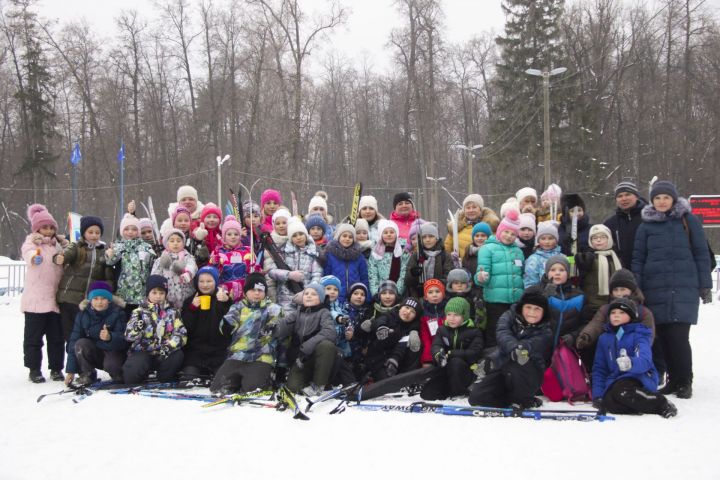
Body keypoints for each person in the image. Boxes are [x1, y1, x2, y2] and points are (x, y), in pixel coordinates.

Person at [632, 180, 712, 399]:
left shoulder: (688, 221)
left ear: (673, 199)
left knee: (679, 337)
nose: (661, 202)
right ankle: (672, 380)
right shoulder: (645, 225)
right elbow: (639, 258)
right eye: (657, 198)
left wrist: (705, 284)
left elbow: (701, 253)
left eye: (665, 197)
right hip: (654, 288)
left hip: (682, 287)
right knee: (663, 337)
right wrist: (636, 287)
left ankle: (685, 380)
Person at [592, 297, 677, 418]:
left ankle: (661, 403)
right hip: (616, 380)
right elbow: (600, 368)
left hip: (639, 377)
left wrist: (630, 363)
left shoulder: (639, 334)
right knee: (609, 402)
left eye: (622, 313)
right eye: (613, 312)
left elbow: (645, 360)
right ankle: (639, 405)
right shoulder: (604, 338)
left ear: (631, 316)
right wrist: (598, 395)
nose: (616, 316)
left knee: (621, 390)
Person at [469, 287, 552, 408]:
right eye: (528, 307)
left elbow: (530, 345)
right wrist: (491, 360)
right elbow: (502, 333)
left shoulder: (546, 331)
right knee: (477, 398)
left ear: (543, 312)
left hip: (528, 372)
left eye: (537, 309)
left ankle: (523, 400)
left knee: (518, 361)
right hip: (503, 366)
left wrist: (517, 350)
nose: (532, 313)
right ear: (522, 307)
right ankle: (513, 400)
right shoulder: (509, 316)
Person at [210, 273, 283, 394]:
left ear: (265, 292)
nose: (257, 293)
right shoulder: (237, 307)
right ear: (245, 292)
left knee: (251, 389)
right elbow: (225, 327)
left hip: (262, 357)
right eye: (253, 290)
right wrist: (227, 325)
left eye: (260, 290)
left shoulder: (274, 309)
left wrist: (282, 365)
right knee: (217, 388)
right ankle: (236, 381)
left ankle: (263, 379)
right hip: (238, 355)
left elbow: (281, 336)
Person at [21, 204, 67, 383]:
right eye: (44, 227)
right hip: (35, 300)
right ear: (37, 228)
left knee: (56, 338)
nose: (48, 231)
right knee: (33, 338)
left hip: (54, 299)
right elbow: (27, 251)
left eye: (51, 227)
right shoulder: (32, 241)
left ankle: (56, 368)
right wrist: (34, 257)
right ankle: (34, 369)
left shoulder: (60, 244)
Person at [576, 269, 655, 369]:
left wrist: (640, 349)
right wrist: (586, 335)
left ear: (632, 290)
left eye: (623, 289)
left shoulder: (643, 312)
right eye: (616, 290)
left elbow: (648, 335)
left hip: (633, 352)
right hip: (610, 351)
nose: (619, 293)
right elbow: (596, 324)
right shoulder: (606, 309)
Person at [55, 215, 114, 342]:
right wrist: (60, 258)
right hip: (70, 299)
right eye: (90, 232)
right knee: (70, 336)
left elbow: (108, 276)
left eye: (97, 232)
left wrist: (110, 260)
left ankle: (80, 360)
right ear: (84, 232)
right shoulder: (76, 246)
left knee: (83, 336)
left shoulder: (103, 251)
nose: (94, 235)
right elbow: (65, 255)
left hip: (88, 302)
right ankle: (70, 359)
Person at [273, 283, 337, 396]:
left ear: (321, 298)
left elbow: (330, 332)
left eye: (314, 294)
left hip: (316, 357)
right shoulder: (297, 313)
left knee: (327, 345)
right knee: (293, 388)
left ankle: (318, 384)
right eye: (306, 293)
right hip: (301, 360)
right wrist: (274, 327)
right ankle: (307, 381)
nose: (309, 296)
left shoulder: (324, 313)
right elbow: (283, 327)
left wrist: (306, 347)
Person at [123, 275, 187, 384]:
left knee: (177, 355)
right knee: (131, 376)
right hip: (143, 351)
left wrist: (168, 347)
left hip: (164, 352)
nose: (158, 296)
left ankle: (164, 378)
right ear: (148, 293)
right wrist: (135, 329)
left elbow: (181, 334)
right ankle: (138, 377)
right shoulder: (138, 312)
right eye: (154, 293)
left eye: (161, 293)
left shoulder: (173, 312)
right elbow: (128, 336)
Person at [475, 210, 525, 347]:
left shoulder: (518, 251)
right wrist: (481, 277)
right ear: (499, 231)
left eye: (513, 234)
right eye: (506, 232)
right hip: (495, 300)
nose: (509, 236)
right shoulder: (487, 249)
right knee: (495, 330)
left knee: (513, 331)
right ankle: (491, 358)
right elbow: (480, 274)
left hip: (515, 300)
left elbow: (521, 273)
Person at [64, 282, 128, 385]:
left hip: (112, 351)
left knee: (112, 365)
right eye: (96, 298)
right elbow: (73, 341)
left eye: (103, 298)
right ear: (90, 300)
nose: (99, 302)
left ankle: (117, 373)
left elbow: (124, 341)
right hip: (94, 351)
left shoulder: (118, 313)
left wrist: (110, 337)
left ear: (109, 300)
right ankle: (88, 374)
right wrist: (71, 371)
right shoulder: (83, 315)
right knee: (80, 344)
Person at [421, 297, 484, 400]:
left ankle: (460, 392)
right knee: (427, 394)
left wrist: (451, 353)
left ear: (464, 316)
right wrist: (438, 354)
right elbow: (437, 345)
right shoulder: (442, 330)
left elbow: (474, 353)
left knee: (455, 362)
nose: (451, 318)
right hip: (446, 369)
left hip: (467, 371)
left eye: (456, 315)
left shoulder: (474, 332)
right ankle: (449, 389)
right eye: (449, 314)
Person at [179, 266, 232, 381]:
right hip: (195, 353)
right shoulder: (190, 301)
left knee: (224, 381)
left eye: (209, 281)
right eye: (201, 281)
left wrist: (225, 303)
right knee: (187, 379)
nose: (205, 285)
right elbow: (185, 329)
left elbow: (229, 329)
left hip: (218, 352)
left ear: (216, 282)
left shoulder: (223, 299)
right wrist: (192, 309)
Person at [361, 297, 423, 381]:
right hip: (377, 359)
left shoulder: (412, 328)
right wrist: (381, 328)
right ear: (400, 308)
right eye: (407, 307)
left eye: (413, 312)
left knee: (414, 342)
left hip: (396, 360)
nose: (408, 312)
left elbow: (401, 346)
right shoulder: (389, 315)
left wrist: (394, 360)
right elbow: (380, 321)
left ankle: (408, 378)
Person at [265, 219, 322, 312]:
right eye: (294, 235)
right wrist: (289, 275)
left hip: (306, 299)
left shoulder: (313, 252)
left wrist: (307, 293)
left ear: (306, 235)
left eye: (301, 234)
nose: (298, 237)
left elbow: (317, 275)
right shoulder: (283, 251)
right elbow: (271, 272)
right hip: (285, 299)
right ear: (290, 238)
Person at [105, 214, 156, 316]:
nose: (130, 232)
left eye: (134, 229)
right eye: (126, 229)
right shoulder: (118, 246)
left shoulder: (145, 247)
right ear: (122, 231)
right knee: (124, 319)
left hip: (142, 292)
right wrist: (109, 254)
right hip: (124, 292)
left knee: (140, 321)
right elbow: (110, 262)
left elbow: (152, 265)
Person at [575, 224, 622, 312]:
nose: (598, 240)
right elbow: (580, 274)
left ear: (609, 239)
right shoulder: (589, 257)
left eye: (603, 237)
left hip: (615, 301)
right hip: (594, 303)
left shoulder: (616, 257)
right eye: (594, 238)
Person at [320, 223, 369, 304]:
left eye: (350, 237)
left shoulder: (359, 256)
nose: (347, 239)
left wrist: (366, 296)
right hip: (335, 298)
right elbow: (326, 275)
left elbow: (364, 277)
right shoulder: (330, 254)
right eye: (344, 236)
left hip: (355, 298)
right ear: (338, 237)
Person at [603, 181, 647, 268]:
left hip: (647, 270)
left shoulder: (649, 218)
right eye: (620, 196)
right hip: (622, 272)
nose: (624, 199)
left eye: (628, 194)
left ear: (636, 196)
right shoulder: (610, 224)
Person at [209, 216, 252, 302]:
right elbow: (211, 272)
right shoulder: (218, 251)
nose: (233, 237)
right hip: (224, 292)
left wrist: (256, 268)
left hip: (244, 292)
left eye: (236, 234)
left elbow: (255, 270)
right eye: (229, 234)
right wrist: (215, 263)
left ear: (240, 236)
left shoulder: (248, 250)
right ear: (224, 236)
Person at [405, 222, 454, 298]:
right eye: (424, 237)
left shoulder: (444, 255)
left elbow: (449, 276)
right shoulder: (416, 255)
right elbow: (408, 280)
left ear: (436, 238)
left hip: (440, 295)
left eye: (431, 236)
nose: (427, 240)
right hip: (419, 295)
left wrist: (433, 285)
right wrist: (413, 274)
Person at [152, 229, 198, 309]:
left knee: (185, 315)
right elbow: (155, 275)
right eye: (172, 241)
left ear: (183, 243)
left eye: (178, 241)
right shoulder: (161, 260)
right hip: (168, 296)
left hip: (186, 294)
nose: (175, 243)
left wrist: (188, 273)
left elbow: (192, 266)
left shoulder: (188, 257)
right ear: (167, 244)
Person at [445, 194, 500, 259]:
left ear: (480, 209)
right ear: (464, 210)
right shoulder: (456, 228)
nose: (471, 210)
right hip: (463, 267)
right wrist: (453, 259)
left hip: (486, 266)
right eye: (468, 208)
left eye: (474, 207)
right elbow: (447, 249)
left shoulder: (490, 227)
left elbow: (498, 249)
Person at [369, 219, 410, 296]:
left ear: (396, 233)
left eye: (392, 232)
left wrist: (397, 292)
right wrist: (375, 293)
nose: (389, 234)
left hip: (398, 292)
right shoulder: (375, 252)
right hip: (381, 292)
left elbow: (404, 273)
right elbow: (373, 274)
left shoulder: (403, 251)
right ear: (381, 234)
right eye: (385, 232)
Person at [523, 221, 561, 288]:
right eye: (543, 238)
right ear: (538, 240)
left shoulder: (562, 257)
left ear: (556, 240)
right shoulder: (533, 259)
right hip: (541, 295)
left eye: (551, 238)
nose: (547, 242)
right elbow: (530, 282)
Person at [419, 279, 447, 367]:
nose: (434, 295)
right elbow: (425, 338)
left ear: (443, 294)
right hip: (431, 350)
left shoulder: (449, 310)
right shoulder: (423, 314)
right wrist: (427, 358)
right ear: (425, 297)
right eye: (430, 292)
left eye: (437, 291)